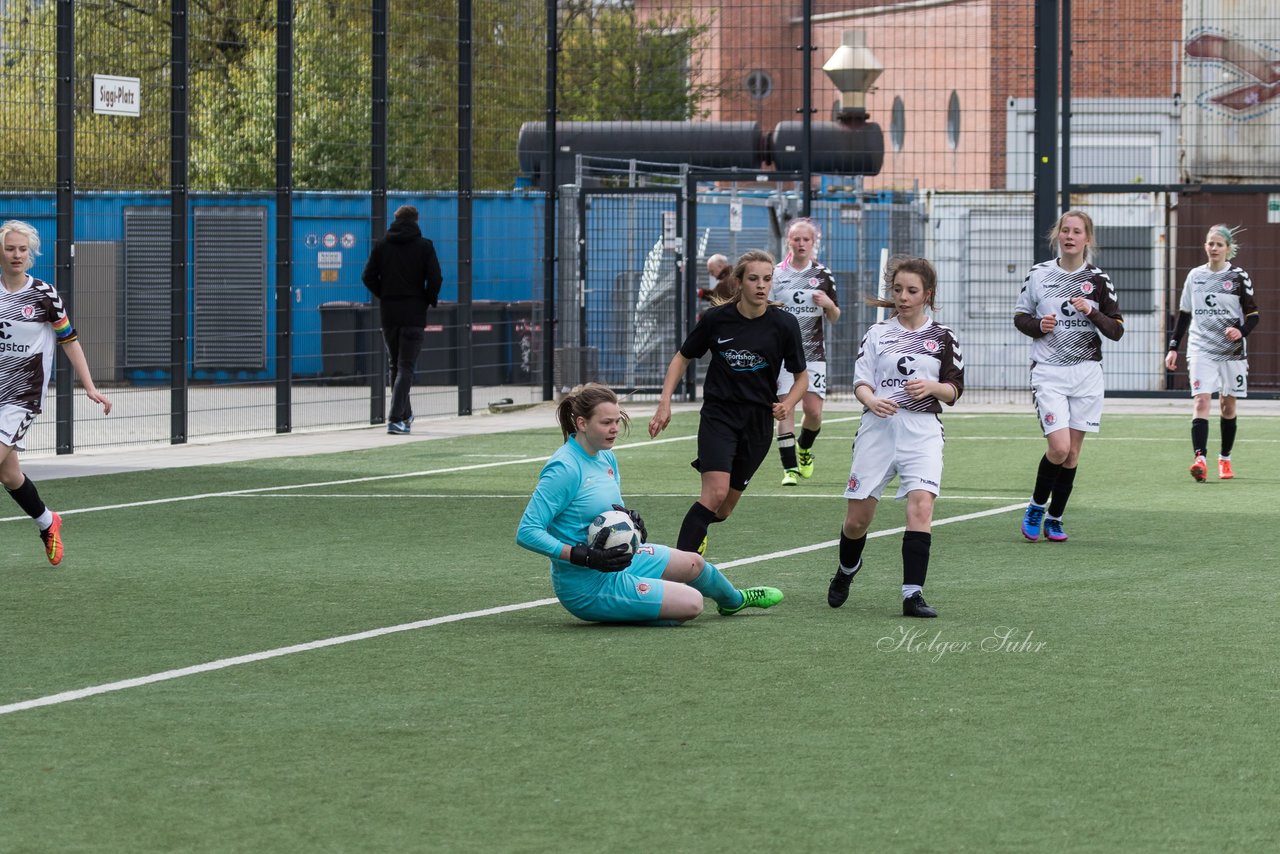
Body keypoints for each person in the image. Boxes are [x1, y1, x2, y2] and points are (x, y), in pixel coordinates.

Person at [516, 383, 784, 624]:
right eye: (606, 423)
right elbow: (527, 532)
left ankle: (734, 602)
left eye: (617, 421)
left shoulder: (606, 458)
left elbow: (610, 513)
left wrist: (630, 522)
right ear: (582, 423)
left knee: (694, 564)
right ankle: (638, 603)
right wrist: (582, 555)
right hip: (586, 586)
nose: (614, 429)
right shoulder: (564, 467)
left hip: (620, 562)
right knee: (692, 603)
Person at [826, 257, 963, 619]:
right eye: (898, 289)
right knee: (858, 520)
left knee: (921, 505)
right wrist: (871, 400)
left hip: (923, 431)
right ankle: (847, 571)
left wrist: (933, 386)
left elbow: (954, 390)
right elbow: (861, 382)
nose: (903, 297)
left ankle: (912, 595)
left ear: (928, 295)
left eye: (912, 291)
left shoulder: (943, 337)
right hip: (878, 429)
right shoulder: (877, 334)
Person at [649, 249, 808, 557]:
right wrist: (664, 403)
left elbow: (801, 377)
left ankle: (700, 531)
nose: (761, 285)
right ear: (739, 282)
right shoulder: (716, 320)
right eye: (753, 279)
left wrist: (788, 403)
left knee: (722, 509)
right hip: (719, 416)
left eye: (767, 279)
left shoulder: (784, 324)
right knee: (714, 493)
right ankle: (675, 571)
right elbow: (682, 358)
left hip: (758, 423)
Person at [0, 220, 113, 566]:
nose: (16, 255)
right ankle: (48, 522)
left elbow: (70, 341)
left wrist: (90, 385)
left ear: (31, 253)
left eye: (22, 249)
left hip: (22, 396)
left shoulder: (44, 295)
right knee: (8, 474)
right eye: (10, 248)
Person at [1013, 210, 1124, 543]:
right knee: (1059, 449)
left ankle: (1055, 518)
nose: (1070, 236)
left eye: (1077, 232)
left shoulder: (1098, 281)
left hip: (1087, 373)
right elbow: (1020, 317)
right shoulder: (1039, 275)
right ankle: (1036, 506)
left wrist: (1092, 311)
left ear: (1087, 239)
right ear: (1058, 235)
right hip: (1049, 371)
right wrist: (1038, 326)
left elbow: (1117, 330)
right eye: (1065, 230)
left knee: (1073, 454)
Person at [1164, 224, 1259, 482]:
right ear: (1205, 246)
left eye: (1219, 244)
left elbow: (1253, 315)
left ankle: (1224, 458)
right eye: (1210, 243)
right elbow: (1184, 314)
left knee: (1228, 406)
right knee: (1201, 400)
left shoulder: (1239, 277)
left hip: (1231, 350)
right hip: (1201, 348)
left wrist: (1240, 331)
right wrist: (1173, 347)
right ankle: (1200, 460)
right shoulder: (1195, 276)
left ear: (1228, 249)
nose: (1214, 248)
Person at [769, 217, 840, 486]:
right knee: (785, 409)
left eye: (805, 239)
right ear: (788, 240)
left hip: (813, 355)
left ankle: (805, 448)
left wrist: (829, 304)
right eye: (796, 238)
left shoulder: (822, 275)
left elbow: (834, 316)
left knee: (813, 412)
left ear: (813, 242)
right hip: (784, 356)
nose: (800, 243)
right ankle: (790, 470)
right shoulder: (776, 274)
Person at [361, 205, 443, 435]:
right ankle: (395, 418)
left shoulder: (382, 245)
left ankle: (405, 415)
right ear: (416, 220)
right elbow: (436, 278)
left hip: (389, 313)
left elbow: (367, 276)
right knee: (406, 366)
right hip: (414, 313)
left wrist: (385, 294)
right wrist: (427, 299)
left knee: (395, 365)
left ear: (395, 220)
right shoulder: (424, 246)